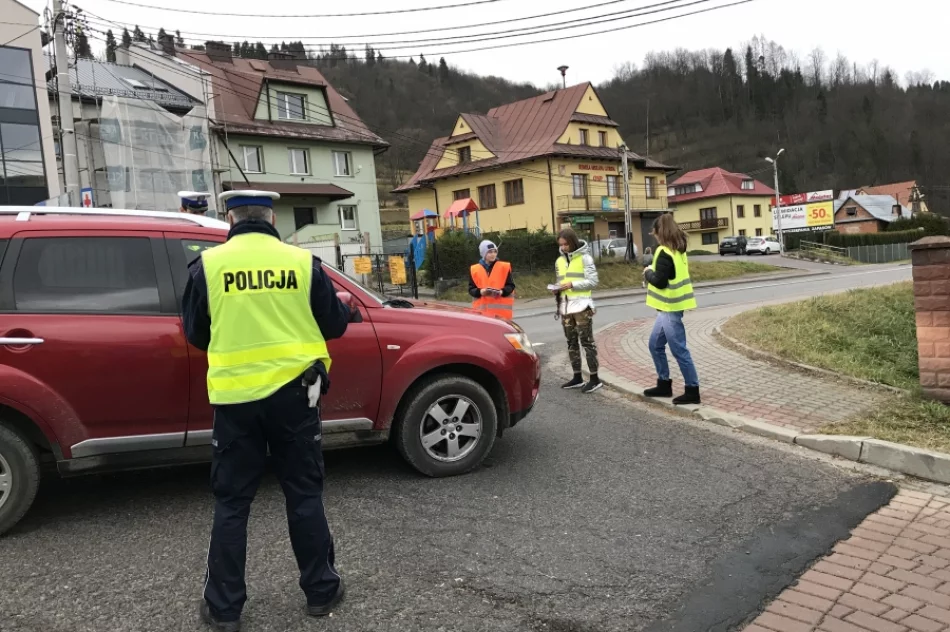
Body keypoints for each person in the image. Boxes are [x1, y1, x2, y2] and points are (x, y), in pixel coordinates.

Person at [182, 190, 351, 631]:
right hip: (296, 397)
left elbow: (196, 334)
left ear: (229, 217)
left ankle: (224, 610)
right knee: (303, 494)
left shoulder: (208, 267)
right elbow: (334, 324)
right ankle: (321, 592)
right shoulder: (301, 264)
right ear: (272, 217)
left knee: (232, 503)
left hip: (235, 403)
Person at [642, 213, 701, 405]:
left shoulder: (663, 251)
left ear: (660, 232)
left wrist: (648, 272)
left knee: (679, 350)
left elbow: (660, 281)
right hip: (669, 307)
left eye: (655, 232)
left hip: (670, 308)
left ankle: (692, 390)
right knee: (655, 345)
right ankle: (664, 384)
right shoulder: (679, 249)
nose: (654, 236)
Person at [553, 228, 601, 394]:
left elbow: (593, 281)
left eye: (566, 244)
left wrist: (573, 285)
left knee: (587, 342)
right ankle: (577, 377)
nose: (563, 247)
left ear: (572, 242)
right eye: (561, 245)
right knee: (571, 341)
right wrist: (557, 289)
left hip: (582, 306)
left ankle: (595, 379)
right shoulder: (559, 261)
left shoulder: (585, 258)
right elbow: (561, 281)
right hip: (566, 306)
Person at [469, 239, 515, 320]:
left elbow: (511, 286)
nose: (493, 254)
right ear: (484, 254)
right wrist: (480, 291)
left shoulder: (504, 267)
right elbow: (471, 289)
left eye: (495, 251)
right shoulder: (474, 269)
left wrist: (502, 292)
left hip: (502, 314)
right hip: (482, 314)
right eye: (490, 252)